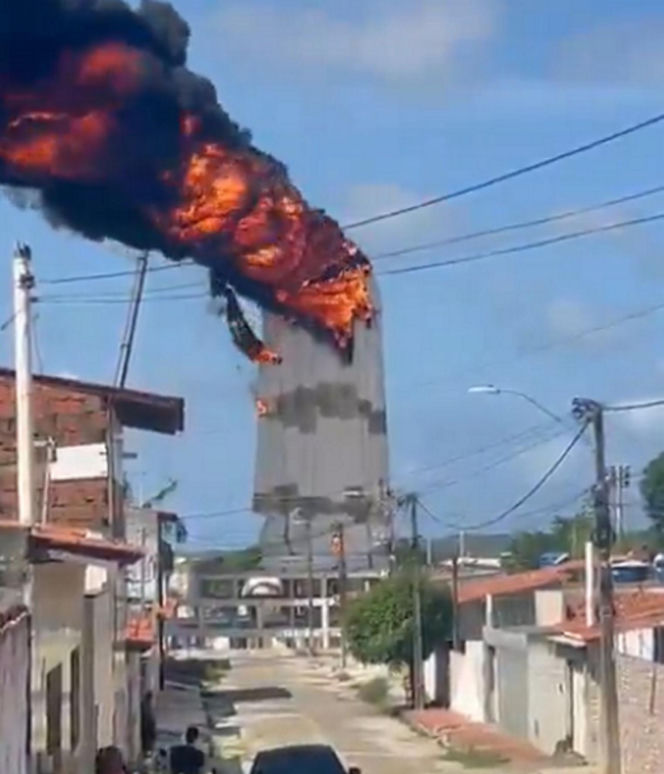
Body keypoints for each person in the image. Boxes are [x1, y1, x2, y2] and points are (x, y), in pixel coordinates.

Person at [140, 690, 157, 758]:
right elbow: (151, 721)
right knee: (148, 744)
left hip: (146, 728)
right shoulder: (147, 707)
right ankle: (147, 754)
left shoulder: (144, 705)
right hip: (148, 730)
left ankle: (147, 754)